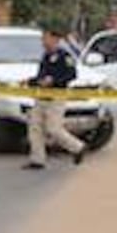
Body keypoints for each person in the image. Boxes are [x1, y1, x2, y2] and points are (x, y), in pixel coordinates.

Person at [23, 24, 87, 170]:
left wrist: (54, 81)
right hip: (41, 97)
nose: (43, 41)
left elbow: (72, 75)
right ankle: (37, 159)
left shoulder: (64, 56)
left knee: (53, 129)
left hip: (56, 98)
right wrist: (31, 82)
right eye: (42, 38)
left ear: (55, 39)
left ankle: (77, 147)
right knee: (35, 128)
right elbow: (41, 76)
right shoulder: (45, 56)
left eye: (45, 38)